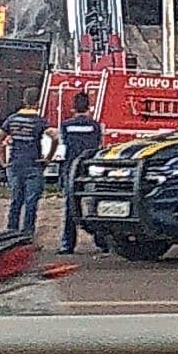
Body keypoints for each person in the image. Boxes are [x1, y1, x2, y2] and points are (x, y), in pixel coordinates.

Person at [0, 88, 58, 238]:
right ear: (38, 103)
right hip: (33, 164)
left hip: (15, 164)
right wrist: (48, 157)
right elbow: (54, 136)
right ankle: (27, 234)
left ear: (24, 100)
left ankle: (11, 232)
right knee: (31, 202)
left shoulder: (12, 119)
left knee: (16, 200)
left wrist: (2, 161)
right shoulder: (39, 121)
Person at [58, 91, 103, 253]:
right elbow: (98, 146)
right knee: (93, 206)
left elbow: (63, 148)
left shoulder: (65, 126)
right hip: (89, 171)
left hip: (71, 171)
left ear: (73, 108)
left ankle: (67, 245)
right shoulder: (95, 126)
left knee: (70, 208)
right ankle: (101, 242)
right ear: (88, 107)